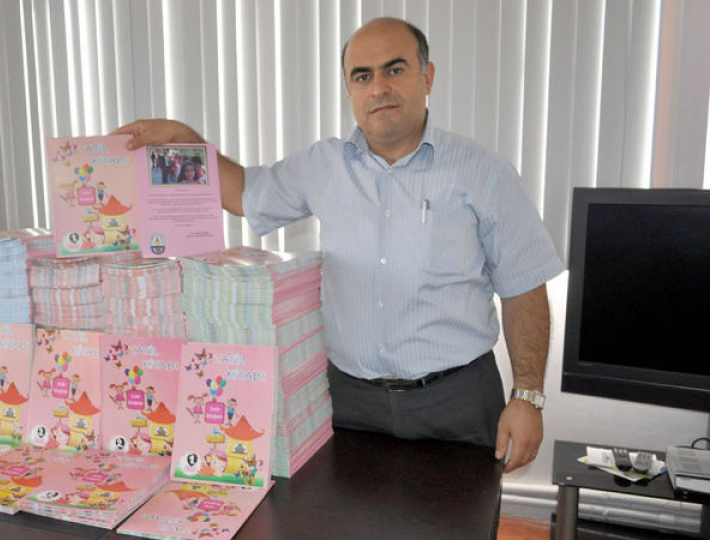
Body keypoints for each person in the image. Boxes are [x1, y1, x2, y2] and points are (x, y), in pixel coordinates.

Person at [113, 17, 563, 474]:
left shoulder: (485, 173)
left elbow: (524, 286)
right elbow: (245, 193)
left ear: (427, 77)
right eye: (362, 76)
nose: (379, 87)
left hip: (456, 402)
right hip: (349, 403)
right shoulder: (323, 166)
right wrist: (185, 141)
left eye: (395, 69)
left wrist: (528, 396)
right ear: (349, 89)